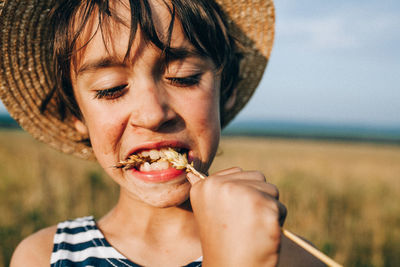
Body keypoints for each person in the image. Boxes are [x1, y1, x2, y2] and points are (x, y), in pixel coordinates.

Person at [0, 0, 326, 266]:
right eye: (110, 89)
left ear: (226, 90)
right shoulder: (45, 257)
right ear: (76, 114)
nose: (153, 114)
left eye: (182, 77)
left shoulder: (292, 259)